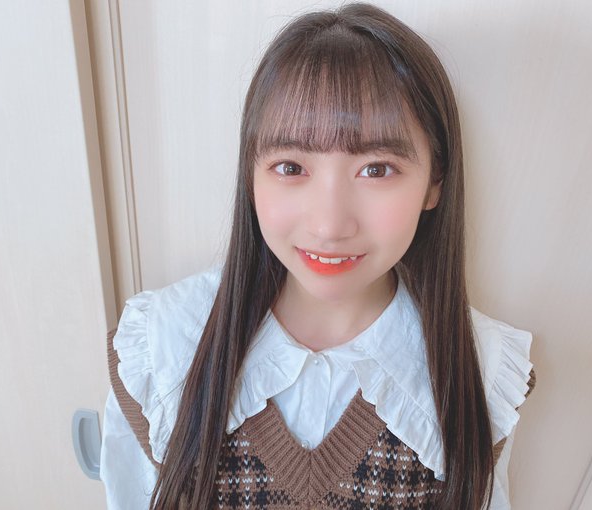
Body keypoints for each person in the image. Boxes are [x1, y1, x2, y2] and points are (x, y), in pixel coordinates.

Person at [100, 3, 535, 509]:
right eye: (291, 167)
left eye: (376, 169)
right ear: (250, 176)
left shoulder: (480, 372)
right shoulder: (164, 350)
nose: (329, 226)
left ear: (435, 182)